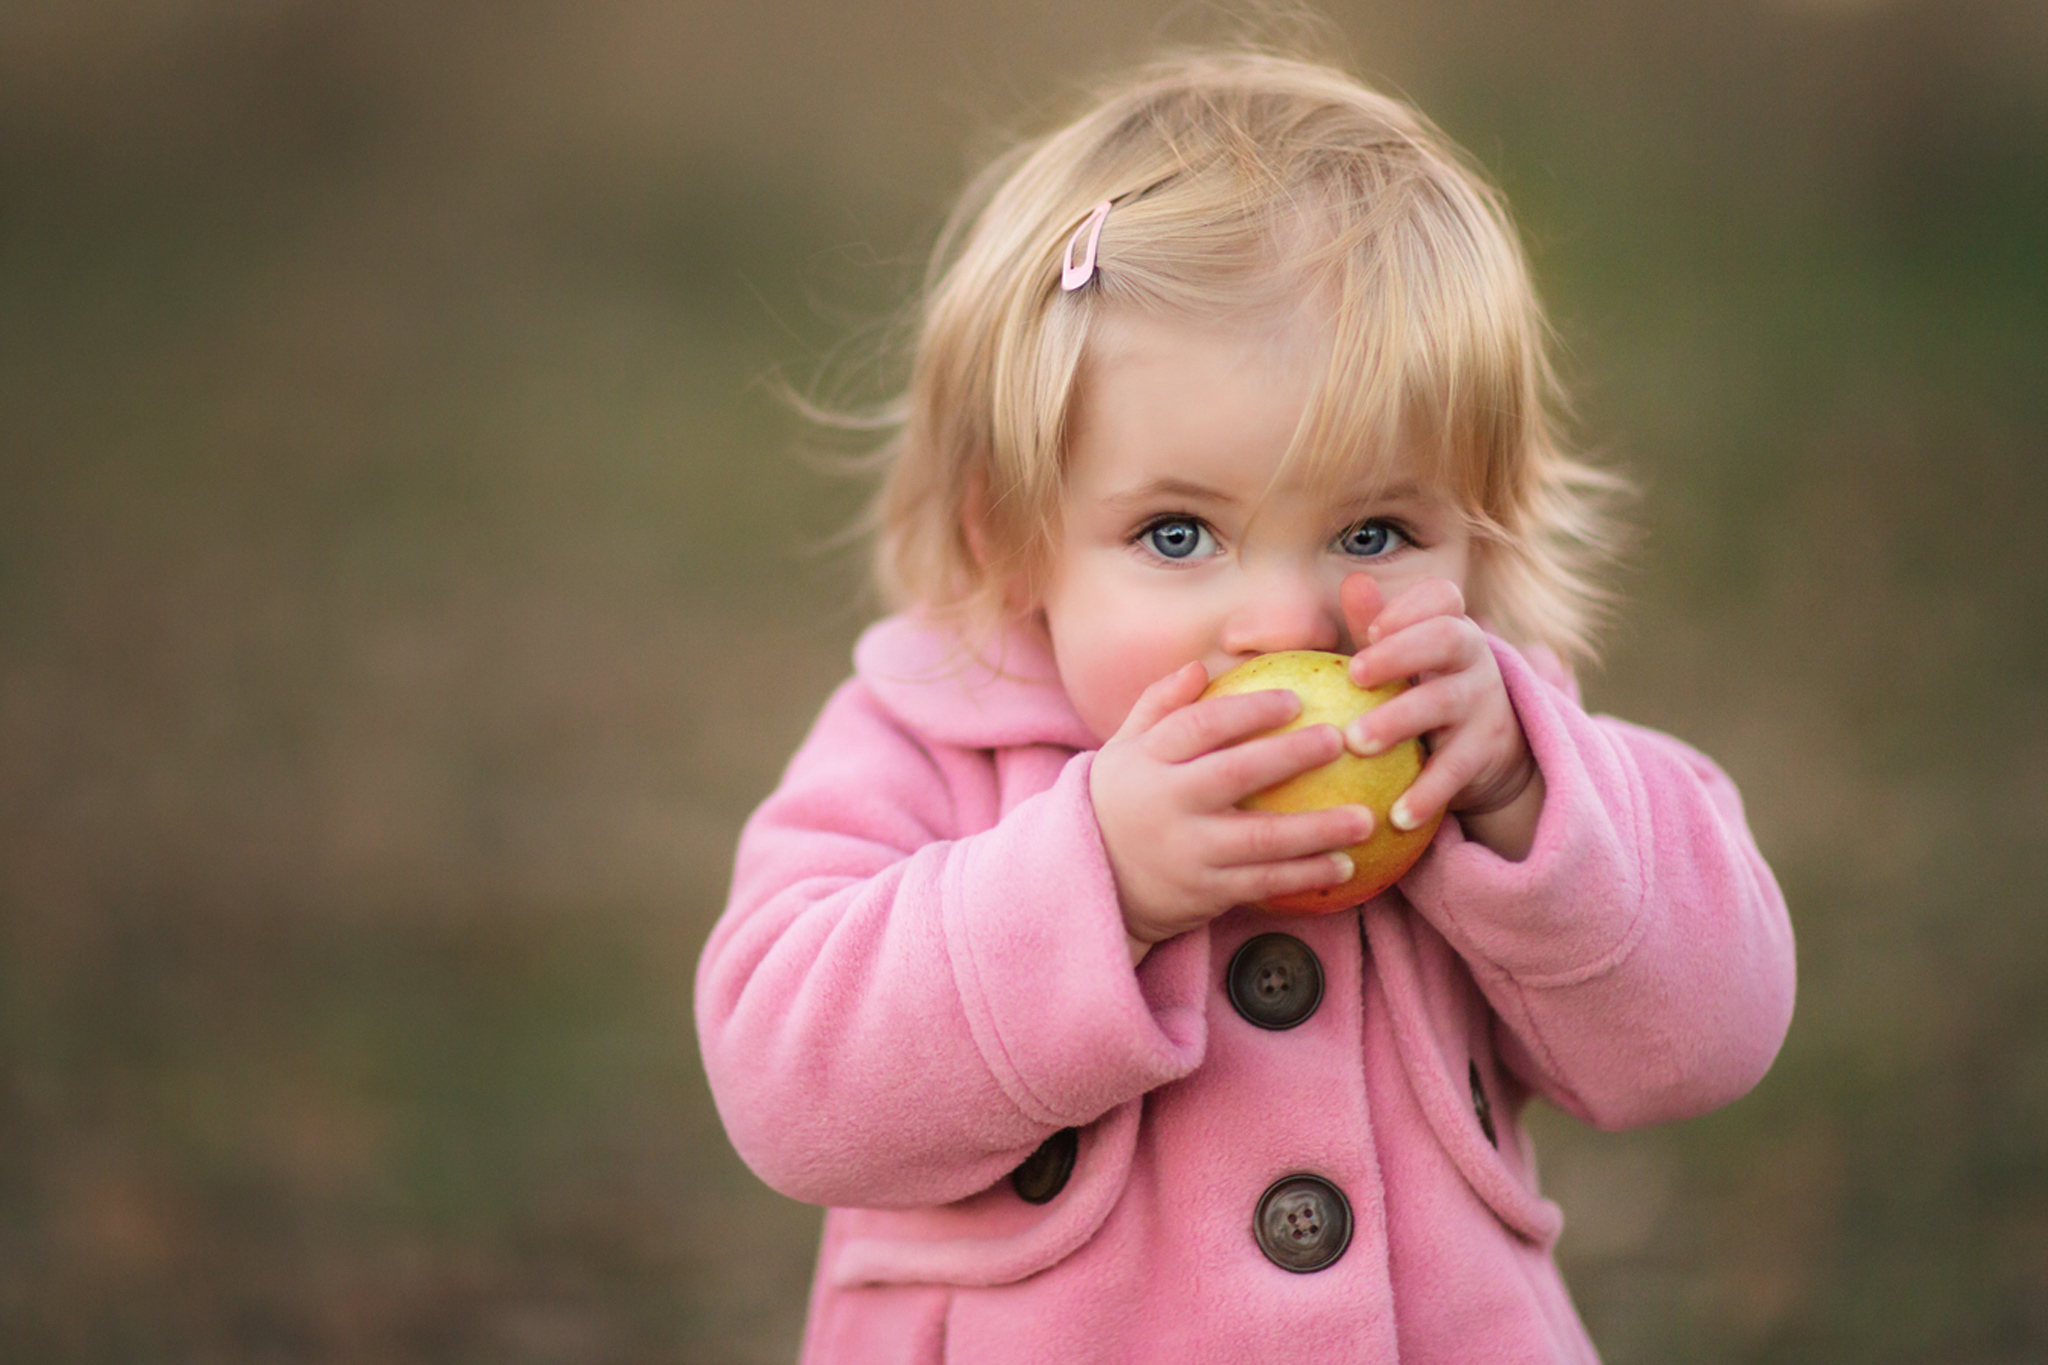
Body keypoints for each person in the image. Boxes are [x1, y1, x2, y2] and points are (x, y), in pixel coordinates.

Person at [696, 47, 1795, 1364]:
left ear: (1483, 542)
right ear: (1011, 538)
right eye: (1177, 534)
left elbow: (1711, 1035)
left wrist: (1524, 800)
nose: (1287, 621)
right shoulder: (928, 747)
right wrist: (1098, 879)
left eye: (1377, 529)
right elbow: (787, 1087)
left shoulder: (1489, 761)